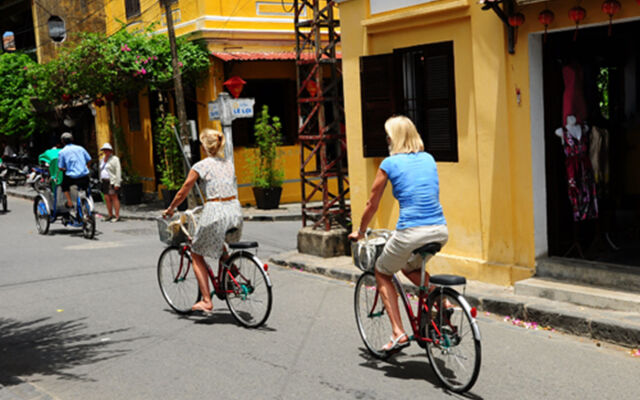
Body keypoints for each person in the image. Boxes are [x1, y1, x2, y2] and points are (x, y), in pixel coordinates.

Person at [348, 115, 448, 353]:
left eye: (388, 136)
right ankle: (442, 302)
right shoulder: (429, 159)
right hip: (440, 230)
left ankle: (398, 332)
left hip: (411, 232)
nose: (386, 140)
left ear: (394, 138)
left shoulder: (389, 164)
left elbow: (372, 203)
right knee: (411, 267)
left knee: (382, 271)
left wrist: (360, 232)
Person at [163, 128, 243, 312]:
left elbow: (184, 190)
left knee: (196, 253)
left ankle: (206, 300)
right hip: (235, 211)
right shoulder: (228, 163)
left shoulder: (201, 166)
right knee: (221, 243)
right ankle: (230, 276)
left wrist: (171, 209)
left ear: (204, 146)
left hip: (215, 211)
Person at [57, 132, 91, 209]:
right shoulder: (80, 148)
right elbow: (89, 160)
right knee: (86, 187)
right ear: (72, 139)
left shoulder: (62, 152)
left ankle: (69, 202)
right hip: (84, 176)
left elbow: (60, 167)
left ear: (62, 141)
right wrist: (86, 167)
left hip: (72, 177)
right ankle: (87, 201)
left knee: (64, 186)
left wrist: (64, 168)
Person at [99, 143, 122, 222]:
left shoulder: (115, 159)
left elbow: (118, 171)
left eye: (107, 150)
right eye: (104, 150)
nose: (105, 151)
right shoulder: (102, 159)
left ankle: (117, 216)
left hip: (111, 181)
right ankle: (110, 214)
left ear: (110, 151)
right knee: (107, 198)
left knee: (114, 197)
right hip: (104, 181)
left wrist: (117, 183)